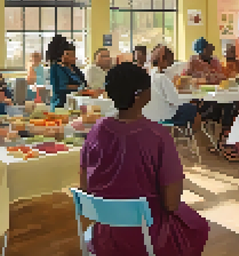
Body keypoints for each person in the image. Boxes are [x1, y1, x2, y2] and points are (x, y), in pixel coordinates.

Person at [81, 62, 210, 255]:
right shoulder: (157, 135)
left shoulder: (96, 131)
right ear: (140, 95)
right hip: (148, 234)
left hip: (105, 232)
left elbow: (85, 186)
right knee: (197, 226)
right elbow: (171, 203)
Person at [142, 45, 201, 131]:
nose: (171, 64)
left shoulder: (149, 75)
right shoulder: (162, 78)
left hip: (150, 115)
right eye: (170, 61)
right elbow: (174, 101)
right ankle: (195, 140)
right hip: (165, 115)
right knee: (194, 110)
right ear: (163, 61)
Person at [47, 35, 87, 110]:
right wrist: (79, 88)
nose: (72, 57)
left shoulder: (75, 68)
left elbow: (84, 81)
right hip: (61, 104)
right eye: (67, 54)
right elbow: (62, 87)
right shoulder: (57, 68)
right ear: (61, 55)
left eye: (73, 55)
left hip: (76, 103)